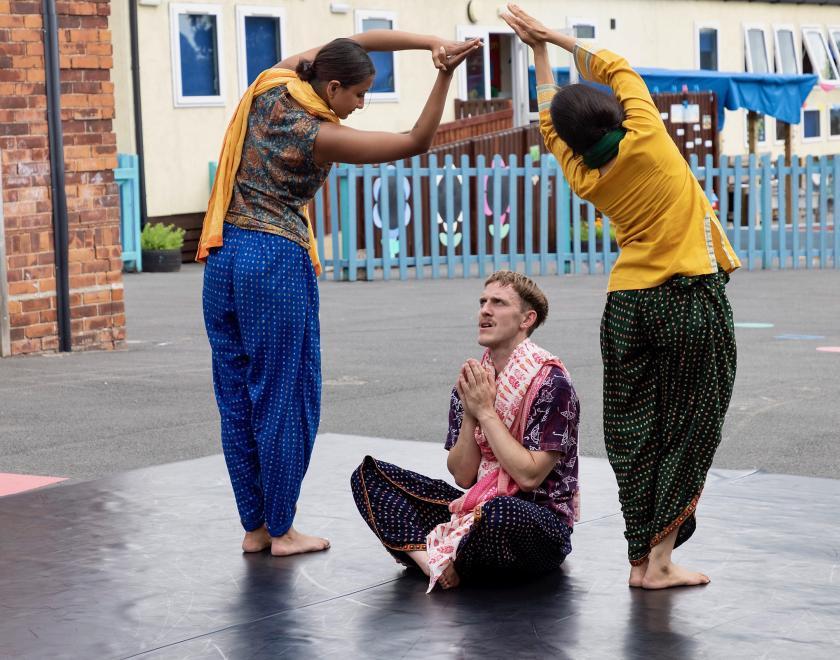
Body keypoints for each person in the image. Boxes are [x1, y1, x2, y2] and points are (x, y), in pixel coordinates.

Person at [198, 30, 481, 557]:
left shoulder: (274, 84)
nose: (360, 105)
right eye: (357, 95)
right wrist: (442, 71)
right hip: (273, 260)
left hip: (223, 255)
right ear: (331, 87)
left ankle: (256, 527)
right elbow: (415, 141)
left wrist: (429, 42)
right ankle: (281, 529)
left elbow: (348, 40)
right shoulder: (317, 133)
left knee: (236, 396)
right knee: (284, 394)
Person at [502, 4, 740, 589]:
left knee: (634, 430)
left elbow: (548, 125)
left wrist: (534, 57)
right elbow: (616, 64)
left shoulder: (586, 175)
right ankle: (657, 562)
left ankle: (640, 560)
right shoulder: (649, 138)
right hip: (686, 299)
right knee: (689, 425)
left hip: (627, 306)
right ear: (614, 114)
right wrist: (549, 37)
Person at [351, 271, 580, 591]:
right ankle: (432, 562)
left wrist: (486, 412)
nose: (485, 310)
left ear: (527, 319)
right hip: (474, 512)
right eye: (483, 302)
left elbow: (529, 477)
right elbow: (463, 477)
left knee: (499, 514)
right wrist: (472, 414)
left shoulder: (551, 383)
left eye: (498, 303)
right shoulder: (473, 382)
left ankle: (449, 556)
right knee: (370, 476)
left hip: (537, 525)